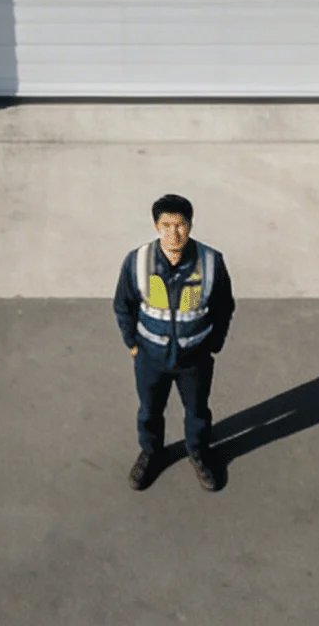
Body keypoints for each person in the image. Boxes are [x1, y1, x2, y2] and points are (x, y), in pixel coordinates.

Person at [114, 193, 234, 492]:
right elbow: (123, 305)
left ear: (190, 225)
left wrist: (214, 344)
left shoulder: (210, 261)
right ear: (156, 226)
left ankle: (199, 452)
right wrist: (132, 344)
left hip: (194, 359)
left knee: (197, 411)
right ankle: (152, 453)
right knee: (149, 411)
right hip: (150, 357)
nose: (173, 233)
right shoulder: (138, 261)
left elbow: (223, 306)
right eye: (166, 226)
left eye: (180, 225)